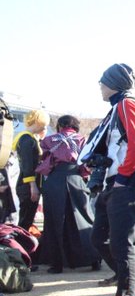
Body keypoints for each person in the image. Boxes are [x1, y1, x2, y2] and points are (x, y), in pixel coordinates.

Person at [78, 63, 135, 296]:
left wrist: (123, 177)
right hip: (116, 181)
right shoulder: (117, 107)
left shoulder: (127, 104)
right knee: (99, 238)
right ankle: (133, 283)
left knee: (122, 242)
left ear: (114, 83)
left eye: (103, 81)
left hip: (128, 181)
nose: (100, 85)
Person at [38, 115, 98, 273]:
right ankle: (93, 259)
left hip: (55, 180)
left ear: (59, 125)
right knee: (83, 218)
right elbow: (86, 163)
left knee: (54, 221)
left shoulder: (49, 140)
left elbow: (45, 162)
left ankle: (57, 263)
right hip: (76, 178)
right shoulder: (82, 140)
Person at [12, 110, 49, 232]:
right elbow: (27, 165)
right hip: (28, 186)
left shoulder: (28, 138)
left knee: (26, 219)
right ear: (38, 123)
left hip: (27, 184)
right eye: (44, 125)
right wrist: (33, 186)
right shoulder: (27, 140)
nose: (44, 128)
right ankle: (20, 242)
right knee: (25, 221)